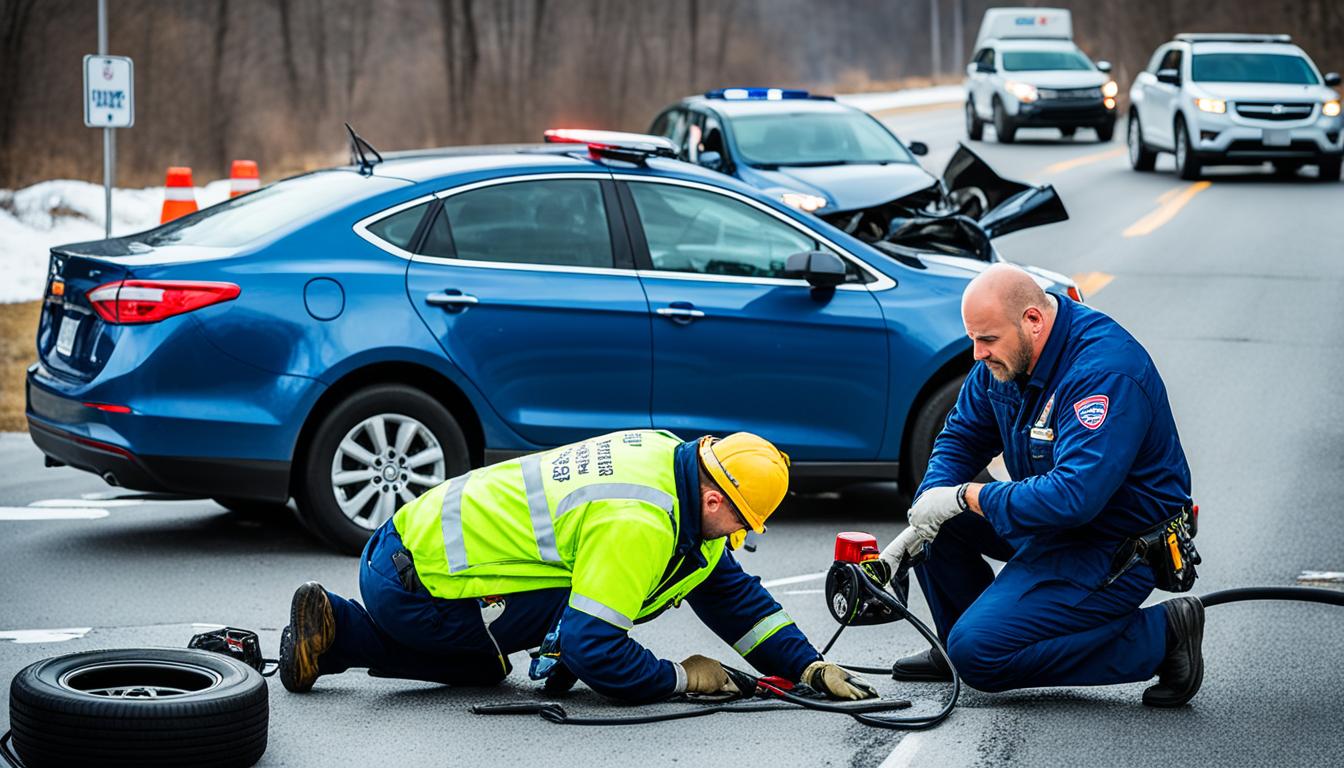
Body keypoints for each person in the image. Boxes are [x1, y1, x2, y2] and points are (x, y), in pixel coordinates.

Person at [279, 429, 876, 703]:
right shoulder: (639, 523)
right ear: (716, 500)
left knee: (492, 666)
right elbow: (594, 649)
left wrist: (807, 666)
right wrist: (680, 677)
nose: (742, 537)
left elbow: (731, 597)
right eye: (743, 523)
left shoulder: (674, 464)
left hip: (409, 548)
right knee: (490, 665)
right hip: (417, 583)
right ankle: (345, 628)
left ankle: (334, 632)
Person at [881, 263, 1202, 707]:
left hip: (1113, 546)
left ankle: (1161, 637)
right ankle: (954, 641)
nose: (977, 354)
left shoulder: (1102, 373)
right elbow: (960, 437)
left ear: (1033, 320)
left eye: (987, 340)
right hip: (1052, 526)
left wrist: (965, 497)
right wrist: (926, 509)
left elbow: (1075, 498)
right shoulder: (1011, 354)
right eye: (974, 339)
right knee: (938, 517)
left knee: (982, 656)